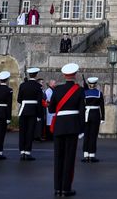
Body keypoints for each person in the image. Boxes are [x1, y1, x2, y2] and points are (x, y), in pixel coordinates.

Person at [49, 62, 85, 198]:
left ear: (64, 75)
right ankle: (66, 188)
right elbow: (82, 112)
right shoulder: (79, 90)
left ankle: (57, 188)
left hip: (59, 126)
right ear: (74, 75)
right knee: (69, 158)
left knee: (58, 158)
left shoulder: (57, 90)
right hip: (72, 127)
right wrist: (82, 129)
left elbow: (51, 109)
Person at [17, 67, 43, 161]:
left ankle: (22, 152)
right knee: (30, 132)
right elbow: (39, 102)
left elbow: (19, 99)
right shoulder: (38, 86)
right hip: (33, 110)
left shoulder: (23, 85)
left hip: (23, 110)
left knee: (22, 131)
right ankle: (27, 152)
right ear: (36, 75)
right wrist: (40, 115)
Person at [82, 76, 104, 163]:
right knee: (93, 135)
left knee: (86, 135)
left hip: (86, 115)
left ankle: (86, 155)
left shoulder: (84, 93)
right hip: (95, 115)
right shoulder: (99, 93)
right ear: (95, 84)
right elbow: (102, 107)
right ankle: (92, 155)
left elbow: (82, 105)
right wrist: (103, 117)